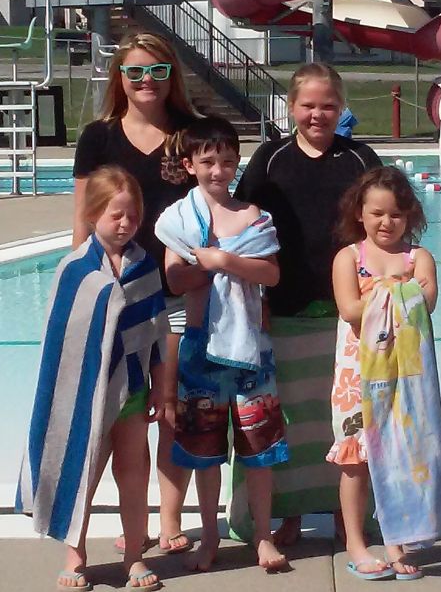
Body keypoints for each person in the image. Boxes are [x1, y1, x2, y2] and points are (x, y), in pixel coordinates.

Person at [231, 63, 382, 547]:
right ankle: (288, 511)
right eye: (308, 105)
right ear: (292, 107)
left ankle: (348, 513)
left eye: (328, 105)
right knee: (289, 422)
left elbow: (383, 225)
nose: (318, 114)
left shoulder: (359, 159)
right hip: (285, 308)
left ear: (341, 108)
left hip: (348, 312)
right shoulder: (271, 159)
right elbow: (242, 226)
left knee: (349, 417)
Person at [72, 32, 203, 556]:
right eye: (135, 73)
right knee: (114, 416)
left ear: (173, 76)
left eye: (158, 71)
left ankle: (169, 521)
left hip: (174, 295)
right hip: (117, 298)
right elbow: (82, 223)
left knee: (172, 409)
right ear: (119, 79)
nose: (146, 81)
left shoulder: (189, 135)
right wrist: (82, 292)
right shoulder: (97, 137)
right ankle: (120, 526)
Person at [17, 166, 166, 592]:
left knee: (133, 472)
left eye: (132, 216)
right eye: (115, 215)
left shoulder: (144, 266)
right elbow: (62, 346)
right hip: (86, 394)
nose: (125, 224)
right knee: (82, 468)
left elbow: (155, 332)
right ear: (92, 215)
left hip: (133, 389)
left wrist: (161, 387)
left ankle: (134, 557)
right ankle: (75, 554)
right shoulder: (74, 269)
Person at [155, 116, 289, 573]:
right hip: (199, 345)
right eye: (208, 161)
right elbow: (175, 276)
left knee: (259, 446)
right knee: (204, 450)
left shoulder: (254, 217)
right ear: (190, 164)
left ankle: (263, 534)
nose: (218, 170)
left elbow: (270, 274)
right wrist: (214, 268)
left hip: (250, 346)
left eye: (227, 161)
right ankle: (209, 534)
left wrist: (225, 259)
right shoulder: (177, 220)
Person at [328, 166, 441, 581]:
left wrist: (386, 291)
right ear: (360, 214)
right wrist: (396, 289)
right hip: (358, 373)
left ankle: (397, 540)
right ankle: (355, 541)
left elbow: (429, 300)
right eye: (378, 213)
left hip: (407, 377)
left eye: (397, 214)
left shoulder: (419, 257)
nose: (387, 222)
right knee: (356, 458)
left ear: (411, 215)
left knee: (401, 455)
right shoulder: (349, 258)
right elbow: (349, 309)